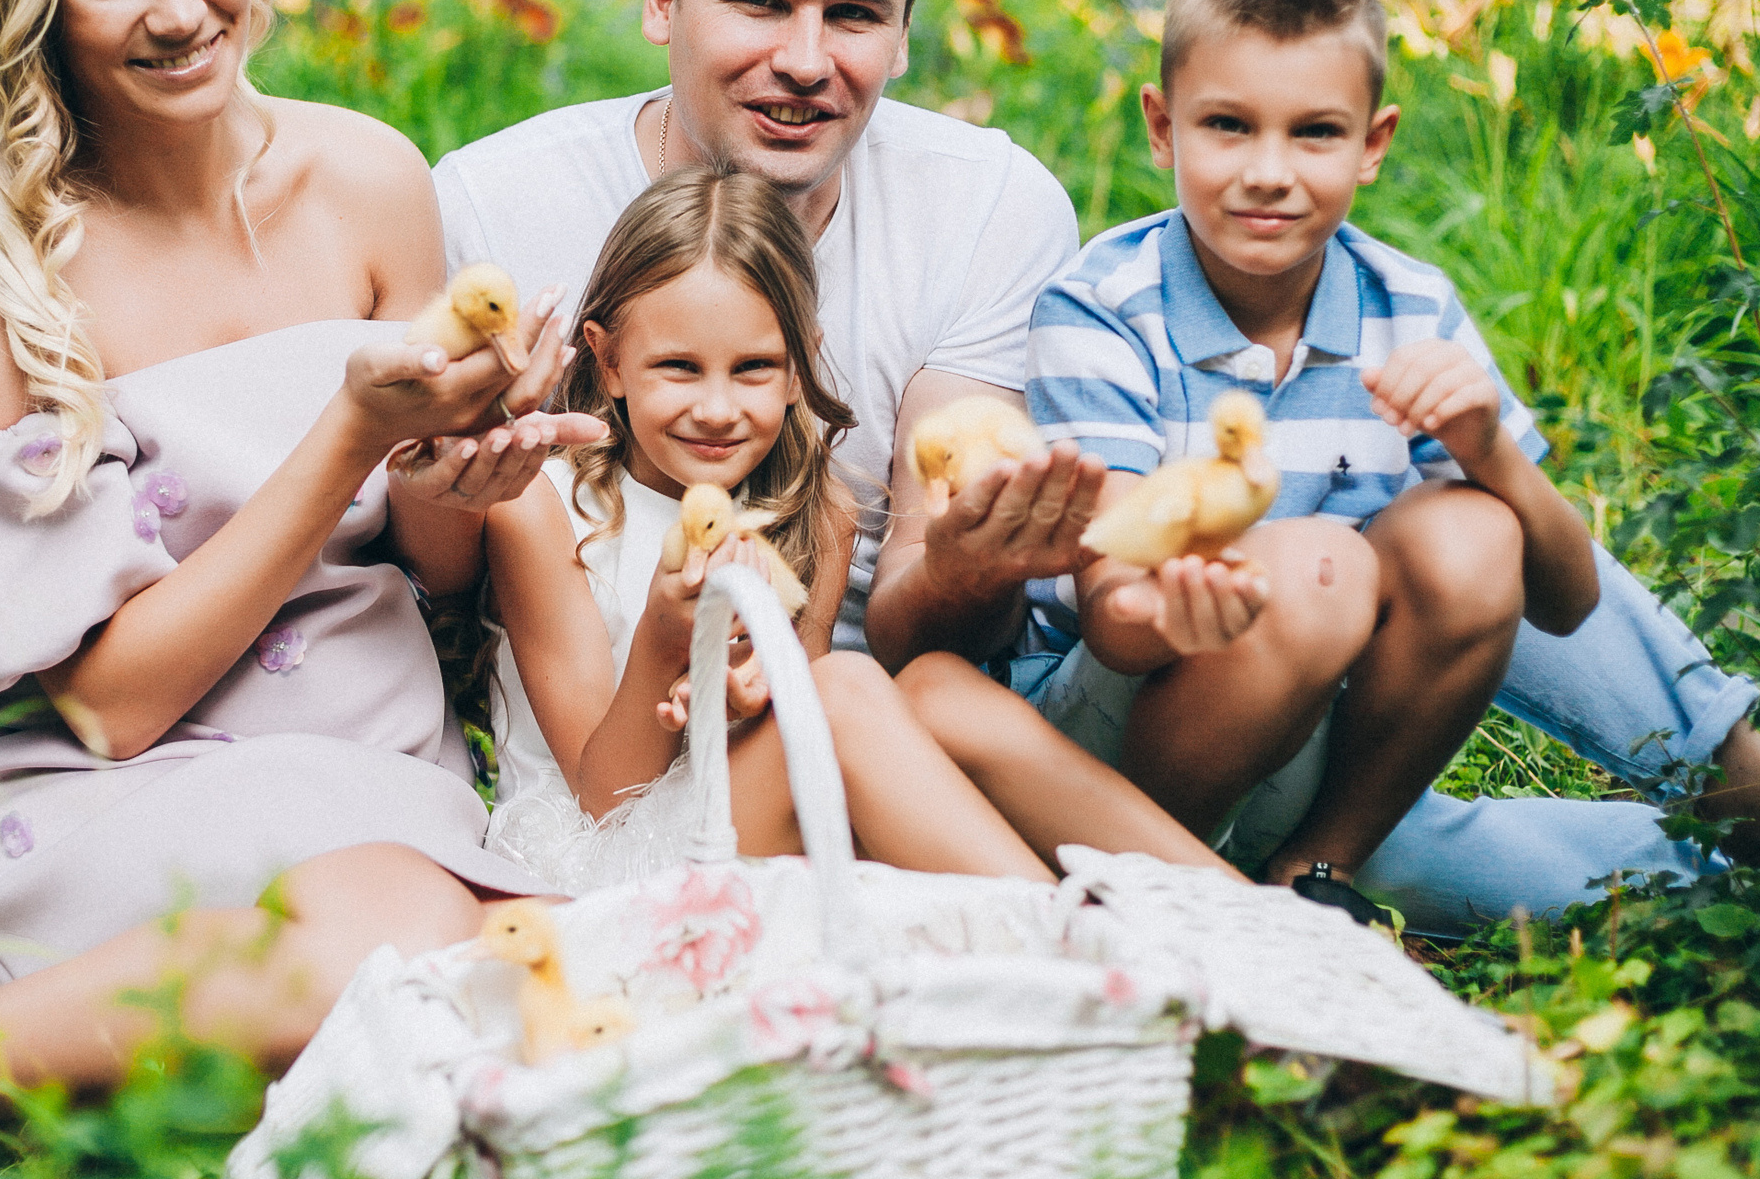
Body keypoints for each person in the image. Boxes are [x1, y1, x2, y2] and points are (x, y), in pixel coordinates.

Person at [434, 0, 1760, 930]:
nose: (805, 60)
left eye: (853, 13)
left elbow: (931, 617)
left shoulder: (982, 198)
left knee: (1468, 524)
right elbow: (444, 553)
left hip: (996, 706)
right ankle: (1242, 931)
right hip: (820, 746)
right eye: (757, 2)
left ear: (908, 30)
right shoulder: (501, 207)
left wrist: (977, 554)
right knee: (1455, 862)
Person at [0, 0, 600, 1123]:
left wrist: (449, 471)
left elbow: (428, 581)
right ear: (30, 5)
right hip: (93, 784)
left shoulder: (368, 178)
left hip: (365, 757)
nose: (183, 10)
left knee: (490, 978)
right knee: (426, 964)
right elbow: (111, 705)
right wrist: (352, 425)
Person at [1019, 0, 1611, 914]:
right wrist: (1168, 609)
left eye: (1315, 132)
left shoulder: (1408, 308)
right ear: (1162, 127)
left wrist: (1486, 451)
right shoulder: (1101, 308)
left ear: (1371, 144)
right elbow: (1111, 612)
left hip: (1310, 747)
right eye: (1227, 126)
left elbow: (1565, 601)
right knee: (1318, 566)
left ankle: (1314, 871)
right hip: (1111, 742)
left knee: (1469, 530)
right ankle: (1158, 886)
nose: (1268, 170)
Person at [477, 164, 1230, 894]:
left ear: (800, 365)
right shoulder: (540, 503)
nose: (715, 406)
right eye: (678, 366)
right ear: (608, 362)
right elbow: (602, 801)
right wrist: (665, 636)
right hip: (598, 867)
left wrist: (744, 696)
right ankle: (1083, 950)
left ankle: (1233, 908)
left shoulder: (819, 510)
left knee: (934, 686)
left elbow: (778, 743)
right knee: (839, 690)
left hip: (746, 822)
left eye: (754, 368)